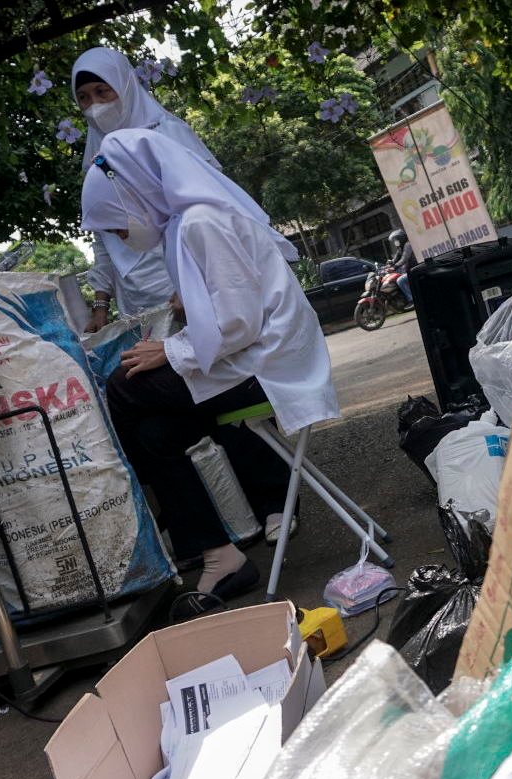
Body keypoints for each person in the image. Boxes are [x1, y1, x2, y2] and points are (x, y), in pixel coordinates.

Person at [79, 129, 339, 600]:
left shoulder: (199, 222)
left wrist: (173, 351)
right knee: (154, 434)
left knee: (122, 386)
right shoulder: (184, 223)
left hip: (266, 366)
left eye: (118, 226)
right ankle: (220, 553)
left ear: (137, 188)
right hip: (248, 361)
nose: (122, 238)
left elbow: (238, 322)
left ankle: (138, 513)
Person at [69, 47, 219, 331]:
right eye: (84, 98)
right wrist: (101, 308)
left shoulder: (167, 136)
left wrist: (190, 282)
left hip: (190, 286)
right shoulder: (96, 161)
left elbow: (209, 211)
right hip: (136, 301)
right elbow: (104, 237)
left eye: (103, 91)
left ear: (125, 85)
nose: (95, 105)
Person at [387, 228, 415, 305]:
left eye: (396, 240)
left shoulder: (407, 245)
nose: (395, 242)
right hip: (407, 269)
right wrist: (389, 264)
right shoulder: (400, 248)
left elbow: (404, 259)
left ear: (400, 238)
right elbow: (396, 258)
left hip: (414, 268)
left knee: (400, 280)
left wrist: (394, 267)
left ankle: (412, 300)